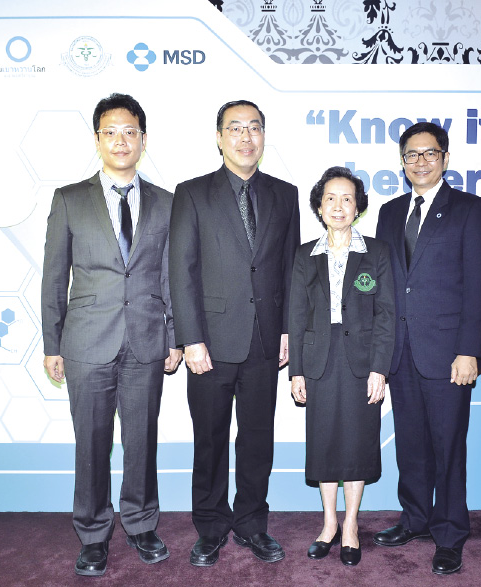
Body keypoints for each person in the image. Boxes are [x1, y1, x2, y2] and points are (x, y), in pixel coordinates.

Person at [41, 93, 182, 576]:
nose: (121, 141)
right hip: (86, 342)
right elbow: (54, 276)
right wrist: (52, 343)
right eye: (110, 132)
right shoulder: (69, 199)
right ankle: (93, 533)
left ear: (143, 139)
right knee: (91, 444)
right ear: (97, 139)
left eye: (130, 132)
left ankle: (142, 525)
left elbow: (171, 275)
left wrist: (174, 336)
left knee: (142, 441)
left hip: (146, 340)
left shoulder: (167, 202)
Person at [169, 99, 300, 567]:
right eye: (236, 128)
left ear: (264, 135)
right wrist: (190, 338)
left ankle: (251, 524)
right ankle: (209, 526)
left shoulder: (285, 194)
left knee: (257, 439)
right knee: (209, 439)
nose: (246, 137)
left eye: (254, 128)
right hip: (210, 342)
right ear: (219, 137)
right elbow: (181, 270)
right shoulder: (192, 193)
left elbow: (289, 268)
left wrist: (288, 331)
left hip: (265, 341)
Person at [373, 122, 481, 575]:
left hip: (448, 355)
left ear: (445, 158)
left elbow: (478, 287)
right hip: (401, 352)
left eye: (430, 153)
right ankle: (415, 519)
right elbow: (385, 283)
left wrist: (469, 351)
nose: (420, 161)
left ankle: (449, 533)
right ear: (402, 161)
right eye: (412, 154)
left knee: (448, 447)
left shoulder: (469, 209)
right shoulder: (389, 212)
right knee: (410, 445)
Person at [288, 166, 394, 567]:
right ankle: (329, 523)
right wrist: (296, 370)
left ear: (358, 207)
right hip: (318, 358)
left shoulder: (377, 252)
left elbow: (386, 315)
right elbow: (296, 315)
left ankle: (351, 526)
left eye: (347, 198)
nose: (338, 206)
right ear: (319, 206)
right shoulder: (305, 255)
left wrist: (380, 368)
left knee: (357, 442)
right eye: (330, 198)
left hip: (361, 362)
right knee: (325, 443)